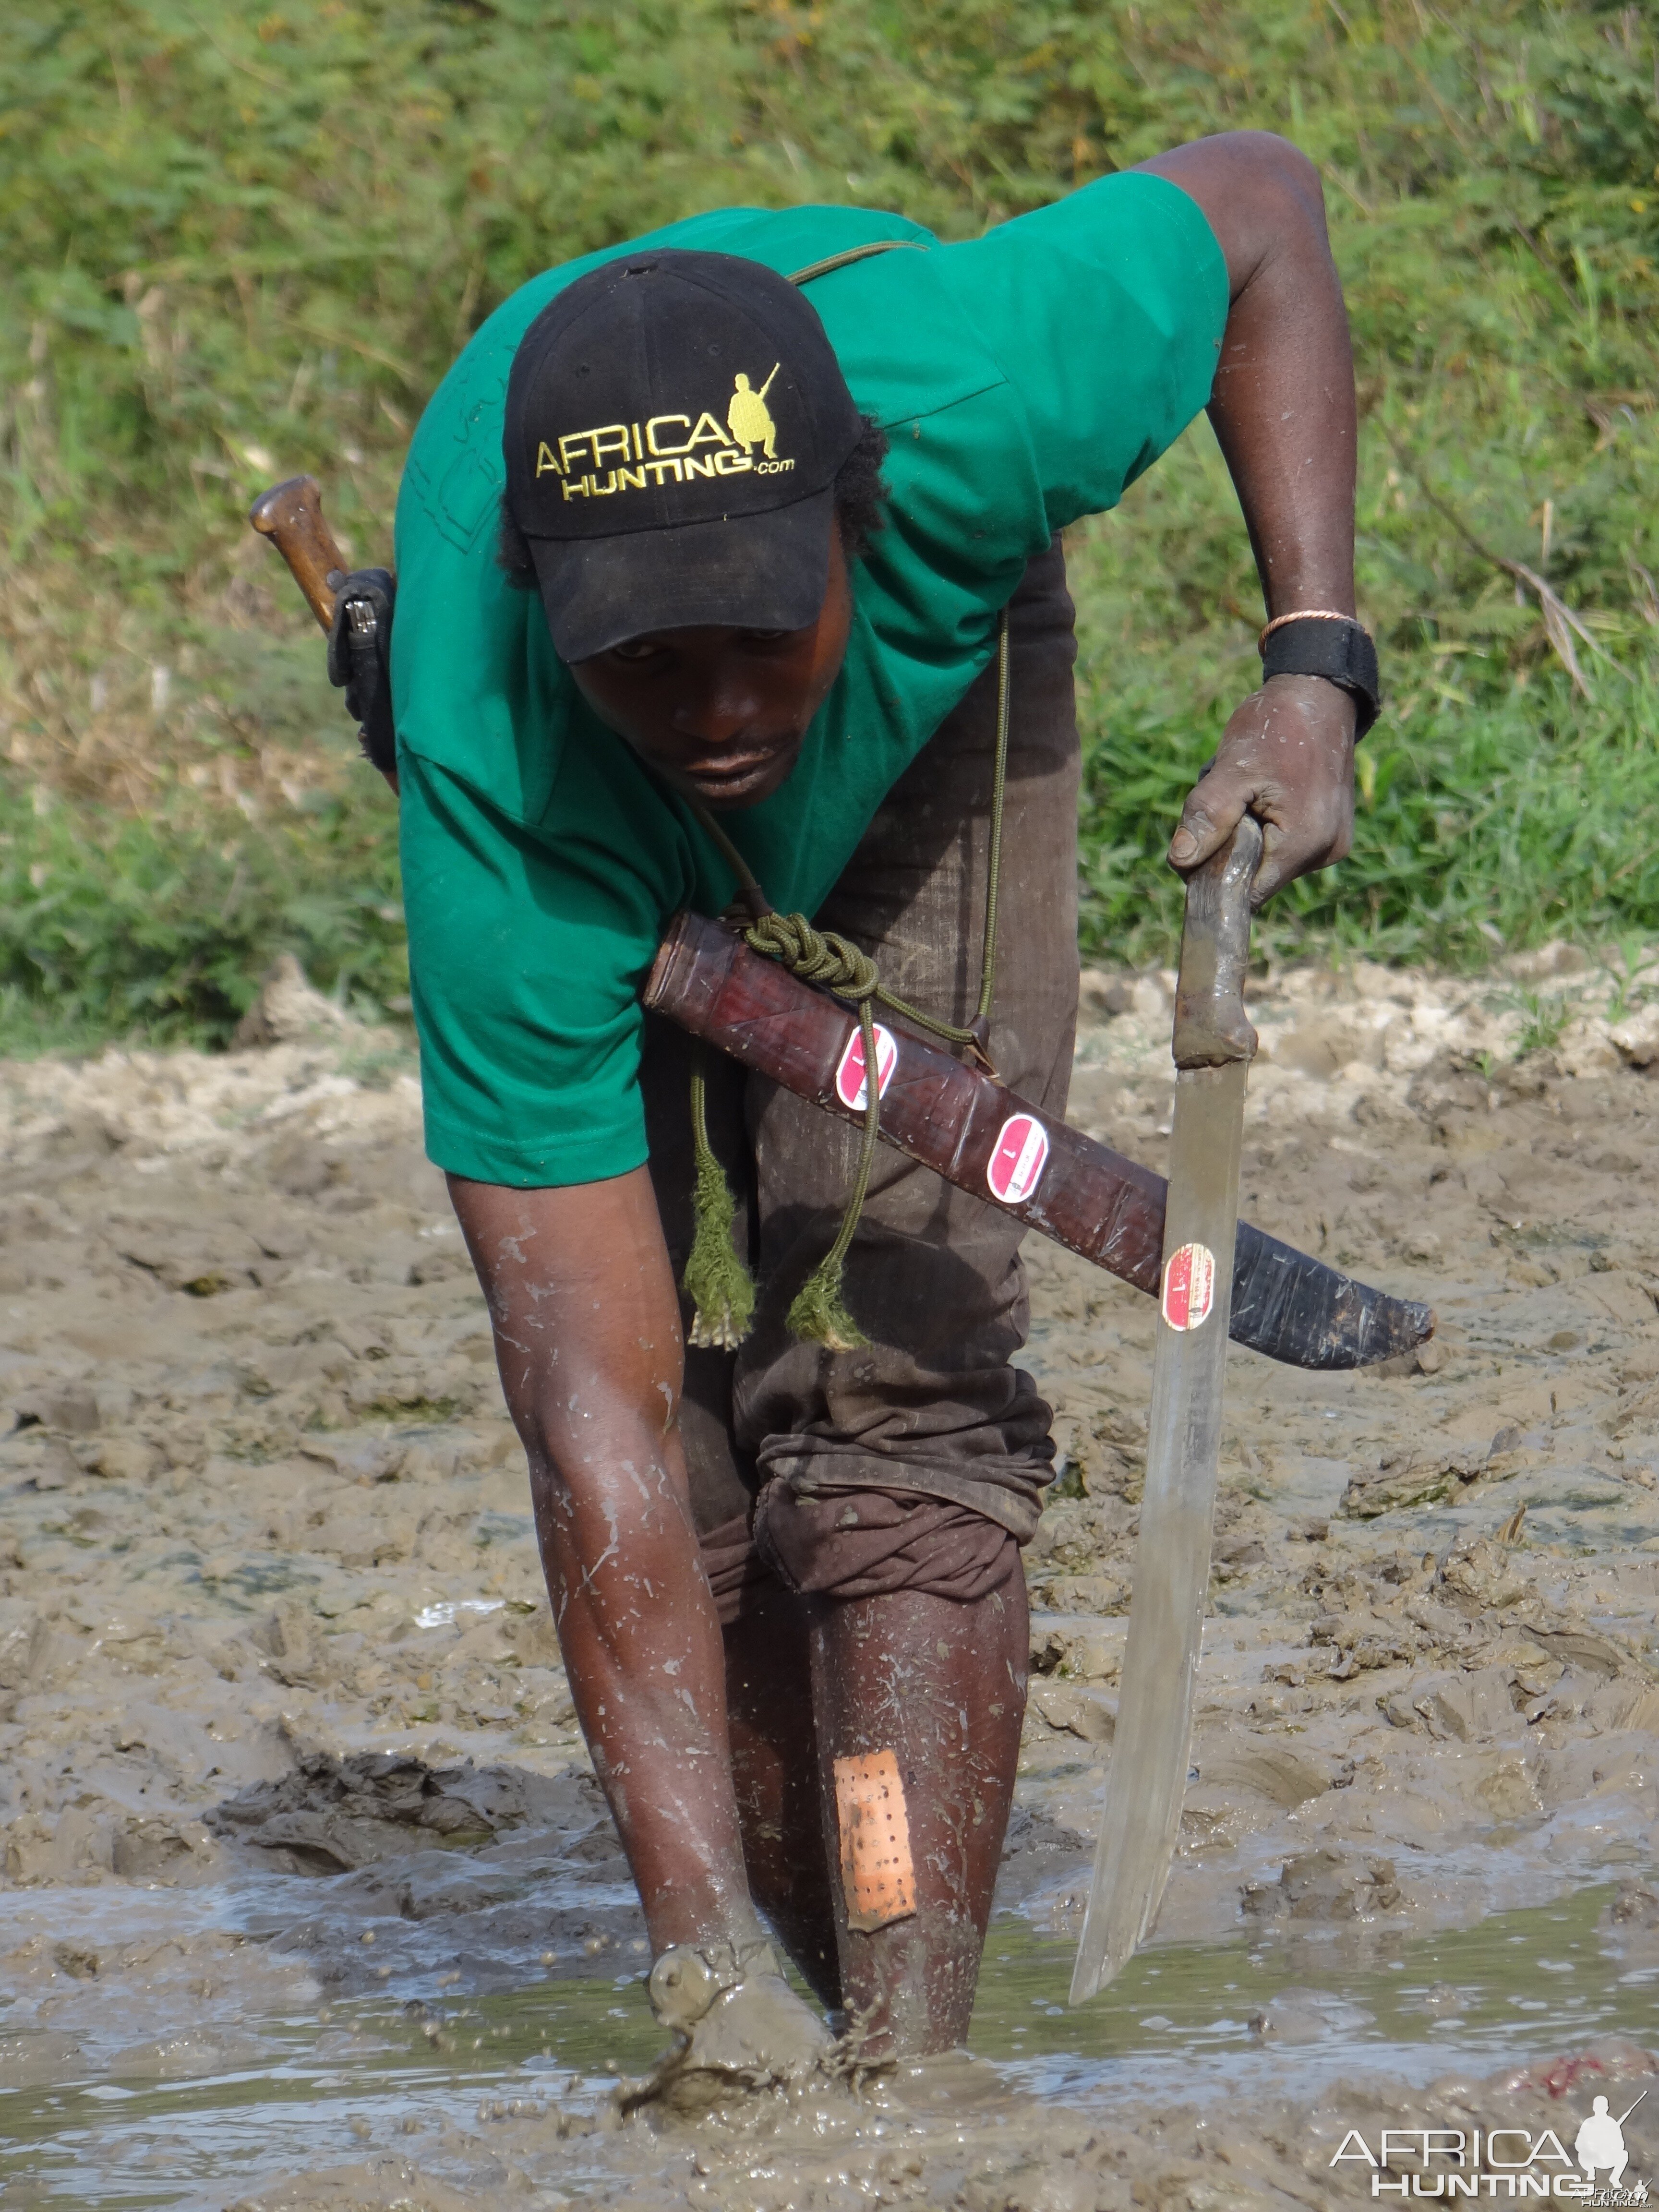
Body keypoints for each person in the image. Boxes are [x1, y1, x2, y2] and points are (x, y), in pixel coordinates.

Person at [386, 130, 1375, 2094]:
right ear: (543, 612)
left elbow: (1260, 205)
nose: (720, 705)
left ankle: (911, 2062)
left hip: (934, 709)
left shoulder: (987, 398)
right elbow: (583, 1402)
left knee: (894, 1366)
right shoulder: (494, 754)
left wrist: (1314, 667)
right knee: (661, 1416)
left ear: (862, 516)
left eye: (761, 623)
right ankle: (765, 1984)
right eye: (648, 661)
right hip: (589, 850)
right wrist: (694, 1971)